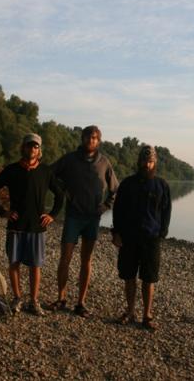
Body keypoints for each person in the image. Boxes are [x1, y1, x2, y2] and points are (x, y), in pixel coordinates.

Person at [0, 133, 64, 316]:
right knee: (14, 263)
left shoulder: (46, 172)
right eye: (29, 146)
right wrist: (2, 211)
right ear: (23, 148)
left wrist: (52, 215)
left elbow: (60, 195)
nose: (32, 149)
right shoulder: (12, 170)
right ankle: (17, 298)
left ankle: (34, 301)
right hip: (16, 225)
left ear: (39, 150)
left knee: (35, 265)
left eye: (36, 147)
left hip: (37, 227)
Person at [50, 125, 119, 317]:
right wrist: (62, 190)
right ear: (82, 138)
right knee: (65, 258)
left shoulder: (104, 162)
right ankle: (61, 298)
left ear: (99, 141)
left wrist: (105, 207)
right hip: (73, 216)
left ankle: (81, 303)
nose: (91, 140)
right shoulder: (70, 159)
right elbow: (49, 174)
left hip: (92, 218)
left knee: (86, 260)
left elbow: (115, 189)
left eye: (95, 138)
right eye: (88, 137)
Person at [112, 145, 171, 330]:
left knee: (149, 278)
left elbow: (166, 210)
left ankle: (147, 315)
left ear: (155, 163)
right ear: (139, 162)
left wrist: (162, 232)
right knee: (129, 276)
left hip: (151, 238)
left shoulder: (162, 185)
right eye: (145, 160)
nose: (147, 164)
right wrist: (116, 233)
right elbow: (118, 210)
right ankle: (129, 312)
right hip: (129, 238)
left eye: (151, 161)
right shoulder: (127, 184)